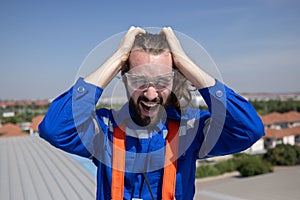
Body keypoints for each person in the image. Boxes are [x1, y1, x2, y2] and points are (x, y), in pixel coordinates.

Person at [39, 26, 265, 200]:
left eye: (161, 82)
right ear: (125, 80)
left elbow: (248, 129)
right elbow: (54, 128)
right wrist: (118, 57)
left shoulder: (191, 130)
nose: (150, 93)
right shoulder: (104, 130)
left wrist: (184, 63)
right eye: (139, 80)